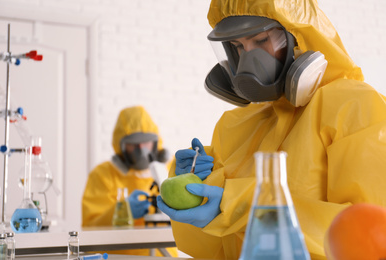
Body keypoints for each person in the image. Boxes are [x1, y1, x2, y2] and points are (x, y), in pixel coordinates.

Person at [157, 0, 386, 259]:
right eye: (237, 47)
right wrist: (196, 195)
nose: (247, 59)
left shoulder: (355, 107)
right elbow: (213, 252)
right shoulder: (234, 124)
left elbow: (368, 234)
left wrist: (236, 206)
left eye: (260, 41)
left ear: (298, 38)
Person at [82, 105, 177, 257]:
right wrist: (120, 212)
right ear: (121, 145)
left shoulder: (170, 168)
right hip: (121, 256)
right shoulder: (103, 174)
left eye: (146, 143)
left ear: (155, 142)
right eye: (133, 145)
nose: (141, 151)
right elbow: (89, 228)